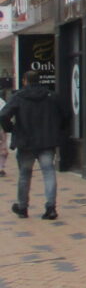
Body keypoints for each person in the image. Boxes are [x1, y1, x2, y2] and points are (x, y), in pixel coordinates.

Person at [0, 71, 71, 219]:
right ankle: (51, 208)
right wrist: (58, 130)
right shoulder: (51, 96)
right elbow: (66, 115)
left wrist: (11, 129)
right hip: (47, 141)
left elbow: (3, 115)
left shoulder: (18, 97)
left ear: (25, 81)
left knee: (25, 174)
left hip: (25, 142)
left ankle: (22, 206)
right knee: (49, 172)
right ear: (39, 81)